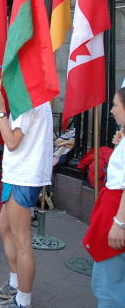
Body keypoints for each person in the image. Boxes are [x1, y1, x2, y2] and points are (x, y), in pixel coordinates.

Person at [0, 92, 53, 308]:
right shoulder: (37, 98)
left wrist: (1, 112)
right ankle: (16, 284)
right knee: (3, 226)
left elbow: (13, 141)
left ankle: (23, 301)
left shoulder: (29, 99)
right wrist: (1, 119)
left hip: (23, 175)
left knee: (22, 241)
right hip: (22, 174)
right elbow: (15, 134)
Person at [83, 88, 125, 308]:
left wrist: (120, 223)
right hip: (113, 210)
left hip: (117, 215)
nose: (112, 110)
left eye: (116, 104)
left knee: (110, 289)